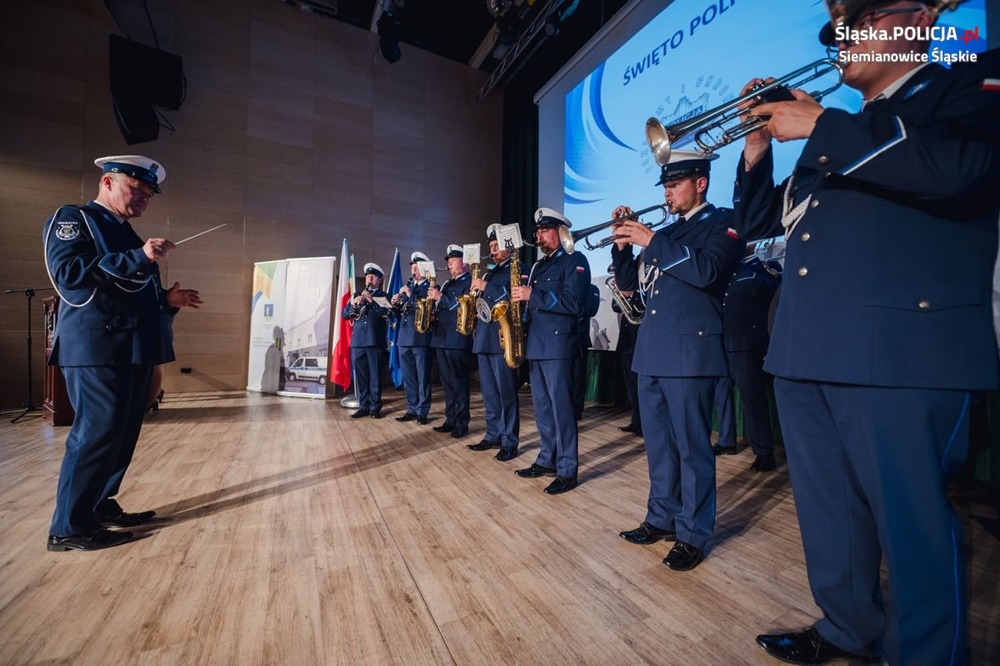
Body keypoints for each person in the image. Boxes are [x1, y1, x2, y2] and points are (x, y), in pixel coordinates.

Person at [733, 3, 1000, 663]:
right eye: (837, 33)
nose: (843, 40)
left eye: (864, 20)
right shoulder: (847, 129)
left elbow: (959, 169)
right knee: (830, 517)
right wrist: (759, 143)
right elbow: (764, 220)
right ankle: (848, 627)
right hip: (807, 344)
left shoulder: (964, 86)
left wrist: (824, 123)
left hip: (904, 350)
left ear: (916, 21)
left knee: (912, 530)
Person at [43, 154, 202, 551]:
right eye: (137, 188)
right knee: (96, 434)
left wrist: (167, 300)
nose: (144, 198)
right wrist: (139, 258)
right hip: (96, 346)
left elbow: (129, 294)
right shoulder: (75, 219)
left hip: (129, 348)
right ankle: (69, 528)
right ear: (108, 183)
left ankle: (98, 505)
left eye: (149, 194)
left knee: (120, 433)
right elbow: (68, 274)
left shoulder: (126, 233)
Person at [612, 149, 742, 571]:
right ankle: (661, 517)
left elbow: (706, 273)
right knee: (660, 447)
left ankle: (693, 533)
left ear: (700, 183)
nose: (667, 193)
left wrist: (652, 240)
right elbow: (633, 286)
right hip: (653, 350)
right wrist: (622, 249)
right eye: (665, 186)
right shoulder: (669, 233)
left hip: (690, 352)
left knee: (691, 450)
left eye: (674, 185)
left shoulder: (721, 222)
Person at [513, 208, 590, 494]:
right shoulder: (538, 266)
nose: (539, 235)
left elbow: (574, 304)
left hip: (559, 345)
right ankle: (547, 459)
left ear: (561, 232)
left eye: (545, 230)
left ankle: (567, 469)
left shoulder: (575, 261)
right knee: (543, 409)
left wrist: (534, 295)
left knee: (562, 410)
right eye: (538, 232)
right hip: (536, 344)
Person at [712, 248, 780, 472]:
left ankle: (763, 452)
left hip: (745, 344)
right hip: (722, 342)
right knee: (722, 396)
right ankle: (726, 440)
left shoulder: (763, 267)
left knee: (753, 399)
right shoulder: (726, 272)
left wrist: (741, 264)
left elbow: (765, 290)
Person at [468, 223, 522, 461]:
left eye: (497, 245)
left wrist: (486, 287)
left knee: (506, 393)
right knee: (489, 393)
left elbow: (515, 298)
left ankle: (510, 440)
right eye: (490, 246)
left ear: (508, 247)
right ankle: (493, 435)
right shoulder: (489, 272)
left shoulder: (517, 268)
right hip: (484, 338)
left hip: (503, 340)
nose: (492, 250)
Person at [429, 244, 474, 438]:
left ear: (463, 262)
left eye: (453, 260)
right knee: (447, 383)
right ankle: (450, 418)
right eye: (448, 260)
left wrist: (441, 298)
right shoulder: (447, 284)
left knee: (459, 382)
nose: (449, 264)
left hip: (457, 339)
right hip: (441, 338)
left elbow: (464, 307)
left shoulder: (470, 281)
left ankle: (462, 422)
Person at [392, 251, 434, 424]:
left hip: (420, 339)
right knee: (408, 376)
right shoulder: (409, 287)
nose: (413, 271)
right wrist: (394, 303)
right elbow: (398, 314)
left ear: (424, 270)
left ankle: (423, 410)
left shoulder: (430, 288)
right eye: (412, 268)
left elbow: (426, 309)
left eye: (416, 268)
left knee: (423, 376)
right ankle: (411, 408)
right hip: (404, 338)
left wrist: (409, 295)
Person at [344, 262, 389, 419]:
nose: (369, 279)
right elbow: (345, 315)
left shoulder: (384, 296)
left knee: (375, 376)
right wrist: (353, 305)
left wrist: (371, 302)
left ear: (379, 280)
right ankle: (363, 405)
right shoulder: (356, 295)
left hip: (374, 341)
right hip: (358, 342)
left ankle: (375, 407)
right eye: (367, 276)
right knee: (361, 376)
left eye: (373, 277)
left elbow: (386, 314)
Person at [609, 268, 643, 437]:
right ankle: (636, 421)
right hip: (626, 342)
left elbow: (642, 308)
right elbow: (616, 307)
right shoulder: (626, 287)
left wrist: (631, 294)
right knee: (631, 387)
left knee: (640, 386)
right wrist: (619, 291)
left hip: (639, 340)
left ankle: (644, 423)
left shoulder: (642, 287)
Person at [572, 280, 601, 420]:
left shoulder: (592, 289)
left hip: (579, 339)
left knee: (578, 377)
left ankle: (576, 411)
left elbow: (591, 309)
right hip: (561, 339)